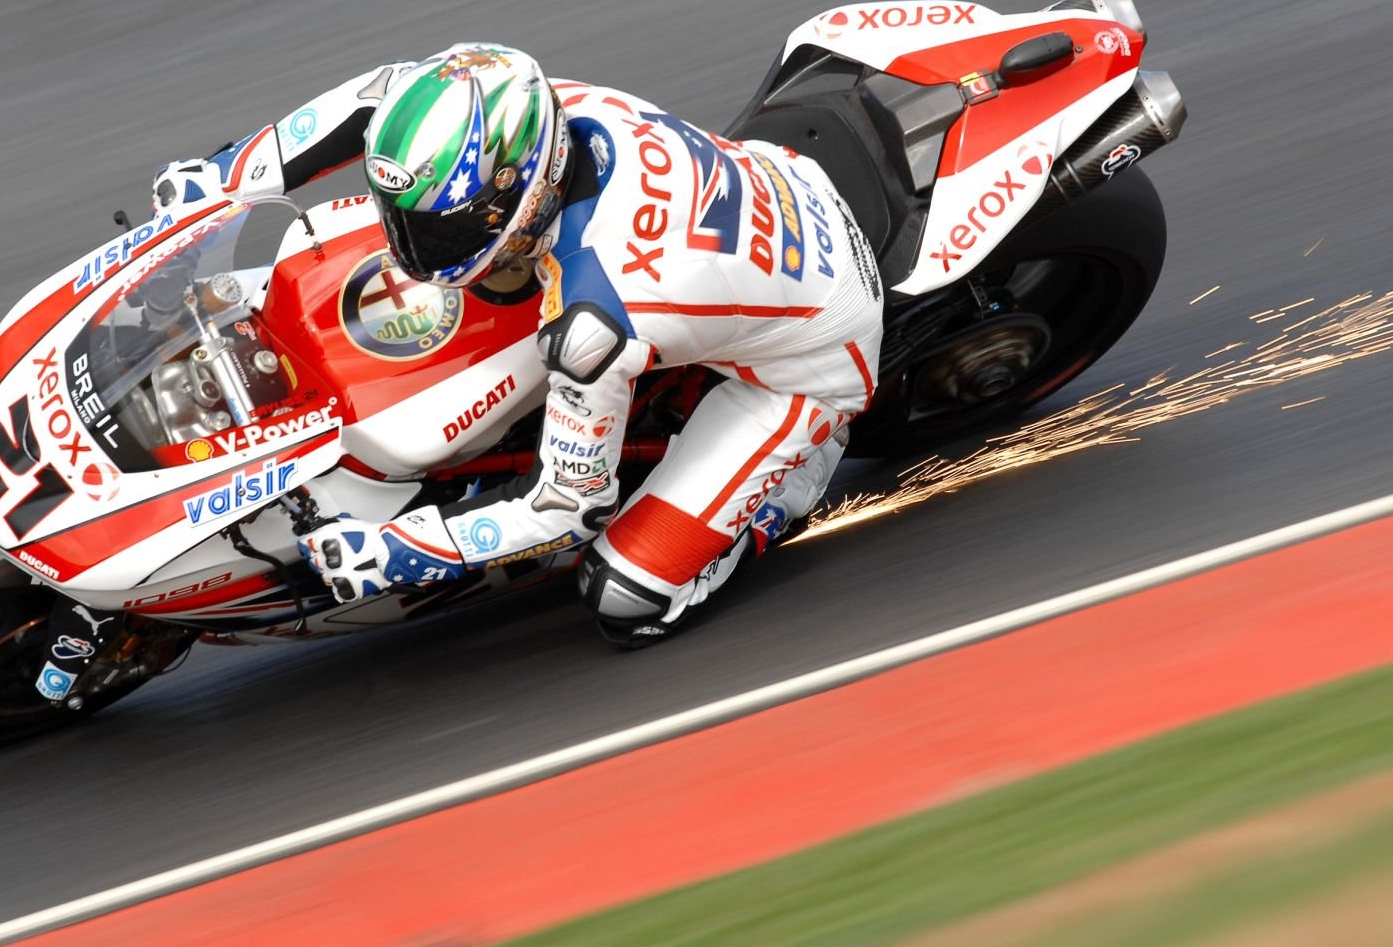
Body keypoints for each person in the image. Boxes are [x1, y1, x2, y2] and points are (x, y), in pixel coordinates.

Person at [150, 44, 883, 646]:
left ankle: (789, 484)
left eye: (439, 231)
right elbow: (375, 98)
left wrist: (405, 551)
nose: (412, 246)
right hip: (762, 199)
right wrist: (223, 177)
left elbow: (565, 505)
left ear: (524, 198)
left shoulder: (594, 318)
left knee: (625, 595)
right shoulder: (516, 100)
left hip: (810, 356)